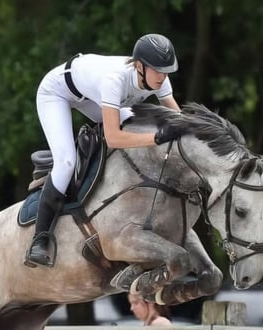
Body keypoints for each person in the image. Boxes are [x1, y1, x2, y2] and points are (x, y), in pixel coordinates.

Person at [25, 33, 186, 268]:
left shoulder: (160, 78)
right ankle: (39, 240)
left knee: (137, 125)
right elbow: (113, 138)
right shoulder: (115, 80)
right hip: (57, 92)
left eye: (166, 70)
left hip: (91, 94)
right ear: (140, 66)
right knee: (67, 162)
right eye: (158, 70)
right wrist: (157, 137)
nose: (163, 76)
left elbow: (178, 118)